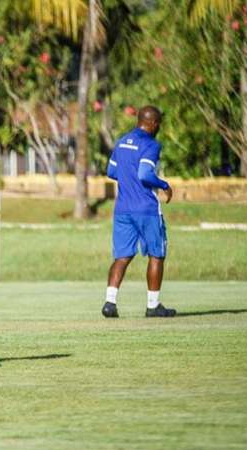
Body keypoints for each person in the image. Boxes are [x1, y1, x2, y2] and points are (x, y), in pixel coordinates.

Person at [102, 105, 177, 318]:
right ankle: (153, 305)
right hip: (146, 209)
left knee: (122, 256)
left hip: (123, 209)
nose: (159, 126)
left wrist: (129, 180)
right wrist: (163, 185)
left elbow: (112, 171)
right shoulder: (151, 144)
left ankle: (110, 302)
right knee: (156, 253)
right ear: (152, 123)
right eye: (159, 122)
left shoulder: (122, 141)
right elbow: (145, 173)